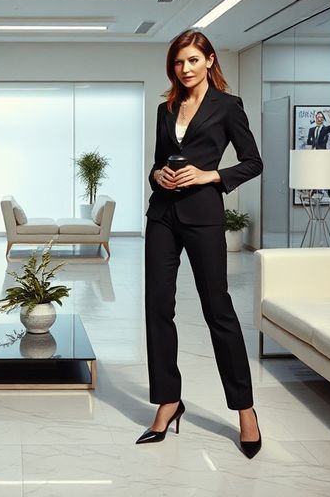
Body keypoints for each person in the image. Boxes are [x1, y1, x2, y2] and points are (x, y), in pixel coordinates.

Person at [138, 30, 264, 459]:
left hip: (204, 215)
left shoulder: (228, 107)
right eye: (178, 62)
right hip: (162, 216)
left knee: (219, 310)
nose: (185, 68)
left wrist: (211, 175)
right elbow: (157, 161)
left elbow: (253, 161)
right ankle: (168, 401)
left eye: (193, 60)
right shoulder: (165, 108)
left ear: (209, 60)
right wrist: (157, 175)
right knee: (157, 307)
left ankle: (244, 409)